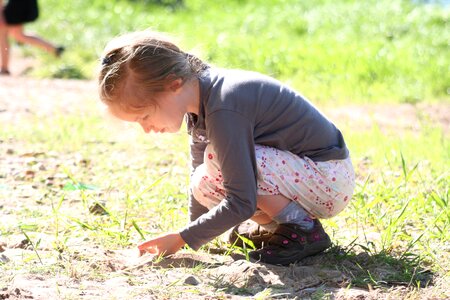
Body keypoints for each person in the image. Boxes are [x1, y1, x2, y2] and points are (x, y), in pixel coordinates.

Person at [98, 30, 355, 265]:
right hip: (303, 178)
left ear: (173, 85)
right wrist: (192, 232)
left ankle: (303, 228)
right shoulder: (200, 103)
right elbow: (201, 174)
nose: (146, 129)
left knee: (217, 160)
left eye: (144, 117)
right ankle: (279, 229)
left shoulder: (224, 104)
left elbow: (241, 201)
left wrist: (182, 238)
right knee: (203, 180)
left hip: (328, 178)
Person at [0, 0, 64, 75]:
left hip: (17, 5)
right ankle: (54, 49)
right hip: (22, 5)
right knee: (18, 35)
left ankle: (4, 68)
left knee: (4, 35)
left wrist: (1, 15)